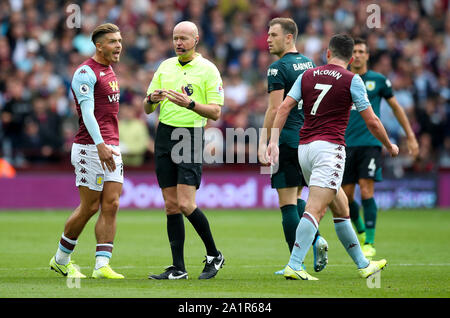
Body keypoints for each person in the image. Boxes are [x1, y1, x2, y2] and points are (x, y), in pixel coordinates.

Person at [267, 34, 399, 280]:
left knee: (341, 207)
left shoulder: (307, 75)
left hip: (304, 149)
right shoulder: (353, 80)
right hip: (329, 149)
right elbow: (372, 120)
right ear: (351, 58)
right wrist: (388, 144)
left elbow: (283, 107)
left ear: (327, 53)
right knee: (316, 210)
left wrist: (273, 142)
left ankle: (363, 264)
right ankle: (294, 264)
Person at [143, 21, 225, 280]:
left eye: (184, 39)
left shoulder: (208, 69)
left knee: (186, 203)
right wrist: (151, 100)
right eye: (175, 38)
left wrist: (190, 104)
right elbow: (147, 108)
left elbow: (216, 112)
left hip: (189, 135)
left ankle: (214, 254)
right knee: (170, 206)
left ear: (196, 40)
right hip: (164, 135)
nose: (179, 43)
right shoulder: (165, 66)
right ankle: (178, 268)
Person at [49, 23, 125, 279]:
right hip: (90, 147)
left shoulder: (109, 70)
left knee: (112, 204)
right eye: (113, 41)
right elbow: (88, 113)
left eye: (120, 40)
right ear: (99, 45)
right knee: (89, 207)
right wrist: (101, 144)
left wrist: (110, 144)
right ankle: (61, 259)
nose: (119, 45)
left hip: (111, 145)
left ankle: (101, 265)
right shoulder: (85, 72)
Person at [258, 17, 328, 274]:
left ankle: (294, 263)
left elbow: (275, 108)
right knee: (298, 197)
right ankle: (317, 238)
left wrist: (265, 141)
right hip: (307, 139)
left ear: (289, 37)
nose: (268, 39)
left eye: (273, 35)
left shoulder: (277, 68)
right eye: (268, 34)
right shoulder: (310, 64)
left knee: (287, 202)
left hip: (286, 140)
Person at [343, 38, 419, 258]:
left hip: (370, 144)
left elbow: (396, 108)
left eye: (361, 51)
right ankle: (362, 231)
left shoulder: (378, 81)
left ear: (367, 55)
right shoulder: (343, 79)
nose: (357, 55)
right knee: (345, 197)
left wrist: (410, 136)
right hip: (345, 145)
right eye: (354, 51)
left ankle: (370, 241)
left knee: (366, 189)